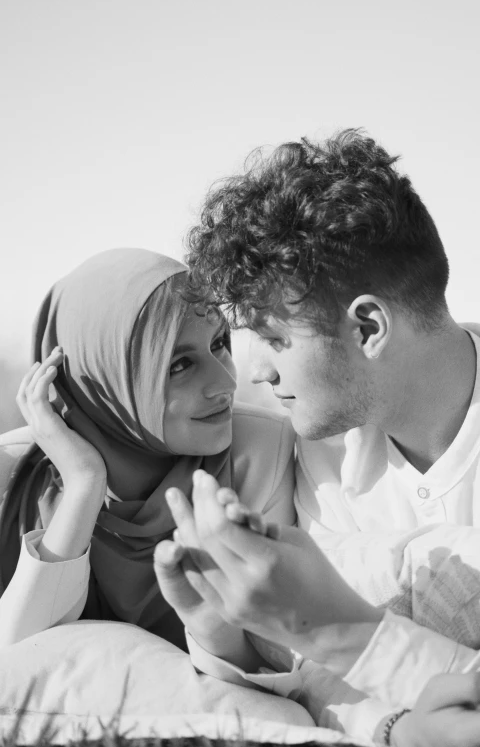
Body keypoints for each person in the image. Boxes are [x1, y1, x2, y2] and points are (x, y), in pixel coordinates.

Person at [149, 128, 480, 744]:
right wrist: (229, 634)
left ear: (369, 325)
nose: (254, 372)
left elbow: (343, 642)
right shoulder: (323, 452)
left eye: (275, 339)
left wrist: (341, 629)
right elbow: (326, 678)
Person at [0, 247, 297, 652]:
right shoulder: (11, 474)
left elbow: (276, 658)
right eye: (179, 365)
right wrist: (85, 483)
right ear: (103, 383)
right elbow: (16, 662)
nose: (226, 384)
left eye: (219, 344)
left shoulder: (260, 449)